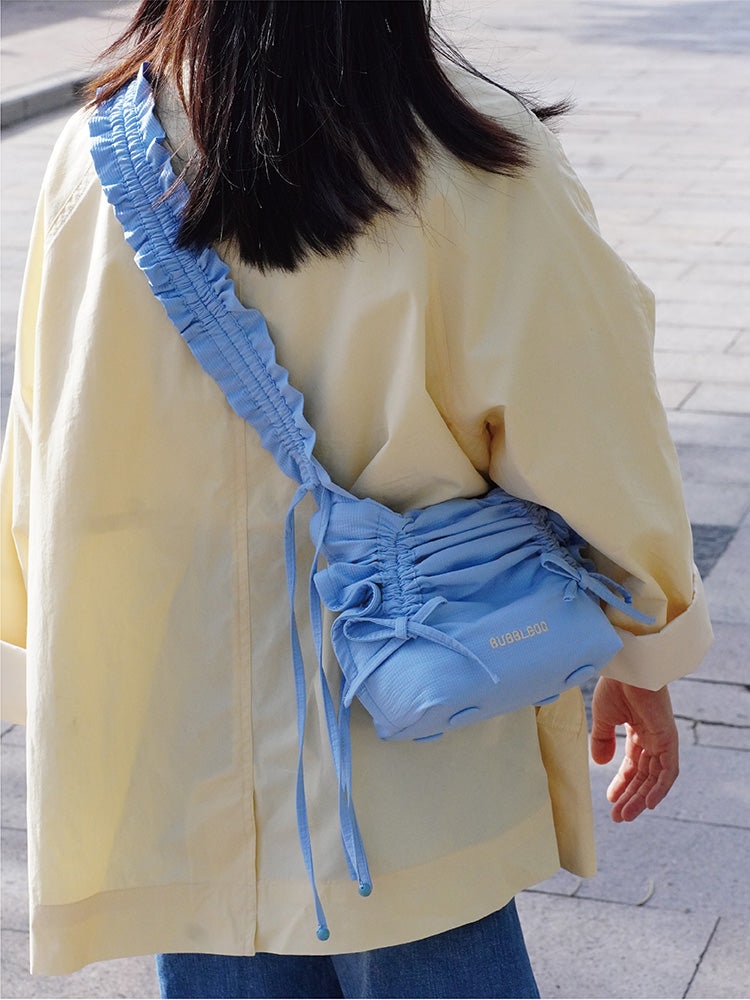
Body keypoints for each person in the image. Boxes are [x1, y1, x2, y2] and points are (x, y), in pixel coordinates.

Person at [0, 2, 713, 997]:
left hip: (186, 757)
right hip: (410, 732)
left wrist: (45, 668)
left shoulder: (97, 156)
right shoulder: (474, 161)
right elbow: (594, 431)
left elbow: (43, 446)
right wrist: (646, 645)